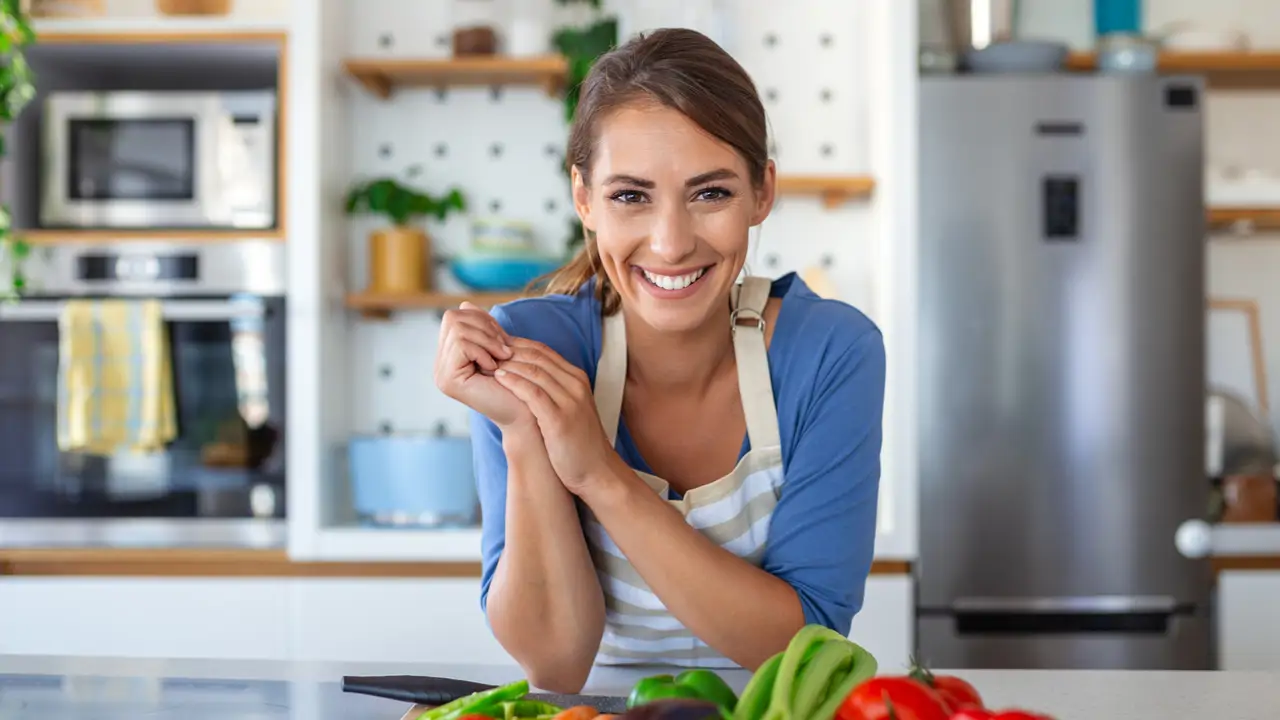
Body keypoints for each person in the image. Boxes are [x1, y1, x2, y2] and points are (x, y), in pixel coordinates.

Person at [434, 27, 885, 692]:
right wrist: (526, 433)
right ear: (584, 198)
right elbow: (556, 664)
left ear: (762, 192)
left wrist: (599, 474)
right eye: (630, 195)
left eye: (710, 193)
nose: (671, 244)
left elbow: (802, 644)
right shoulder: (532, 351)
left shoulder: (830, 352)